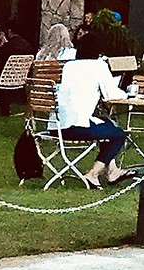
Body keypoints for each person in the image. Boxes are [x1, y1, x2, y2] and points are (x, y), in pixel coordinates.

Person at [51, 34, 134, 183]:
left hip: (56, 125)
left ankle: (113, 170)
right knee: (119, 135)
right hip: (76, 126)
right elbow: (111, 95)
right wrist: (128, 94)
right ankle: (93, 173)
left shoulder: (68, 66)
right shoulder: (98, 66)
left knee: (108, 125)